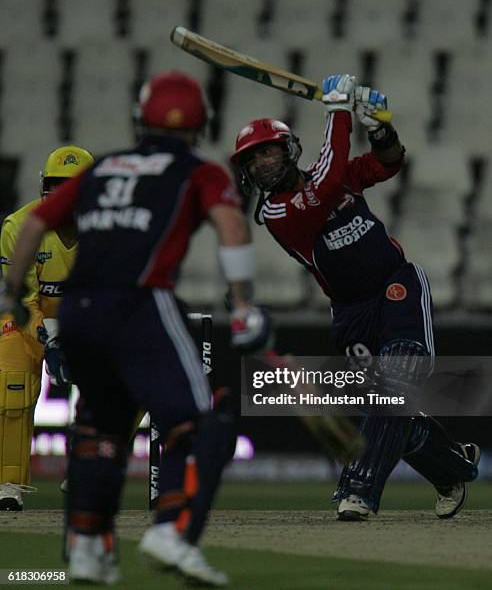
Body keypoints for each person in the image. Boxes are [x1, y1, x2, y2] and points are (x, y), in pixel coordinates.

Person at [0, 70, 268, 586]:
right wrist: (242, 305)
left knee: (100, 430)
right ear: (202, 122)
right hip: (141, 303)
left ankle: (84, 548)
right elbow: (233, 228)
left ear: (139, 119)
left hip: (78, 313)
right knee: (202, 421)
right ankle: (172, 531)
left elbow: (33, 224)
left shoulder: (101, 170)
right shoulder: (198, 170)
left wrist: (12, 295)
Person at [230, 74, 480, 522]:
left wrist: (380, 128)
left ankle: (358, 490)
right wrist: (339, 111)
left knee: (396, 384)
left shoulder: (334, 172)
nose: (261, 164)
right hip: (352, 314)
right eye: (252, 160)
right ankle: (455, 466)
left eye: (268, 151)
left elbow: (388, 164)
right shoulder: (276, 213)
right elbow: (324, 186)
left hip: (395, 287)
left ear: (288, 150)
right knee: (390, 408)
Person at [0, 145, 94, 511]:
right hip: (26, 321)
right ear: (44, 188)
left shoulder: (106, 230)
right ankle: (8, 483)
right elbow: (22, 298)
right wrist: (52, 340)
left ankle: (88, 472)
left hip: (84, 320)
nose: (63, 195)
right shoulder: (19, 227)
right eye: (56, 186)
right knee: (12, 379)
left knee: (122, 377)